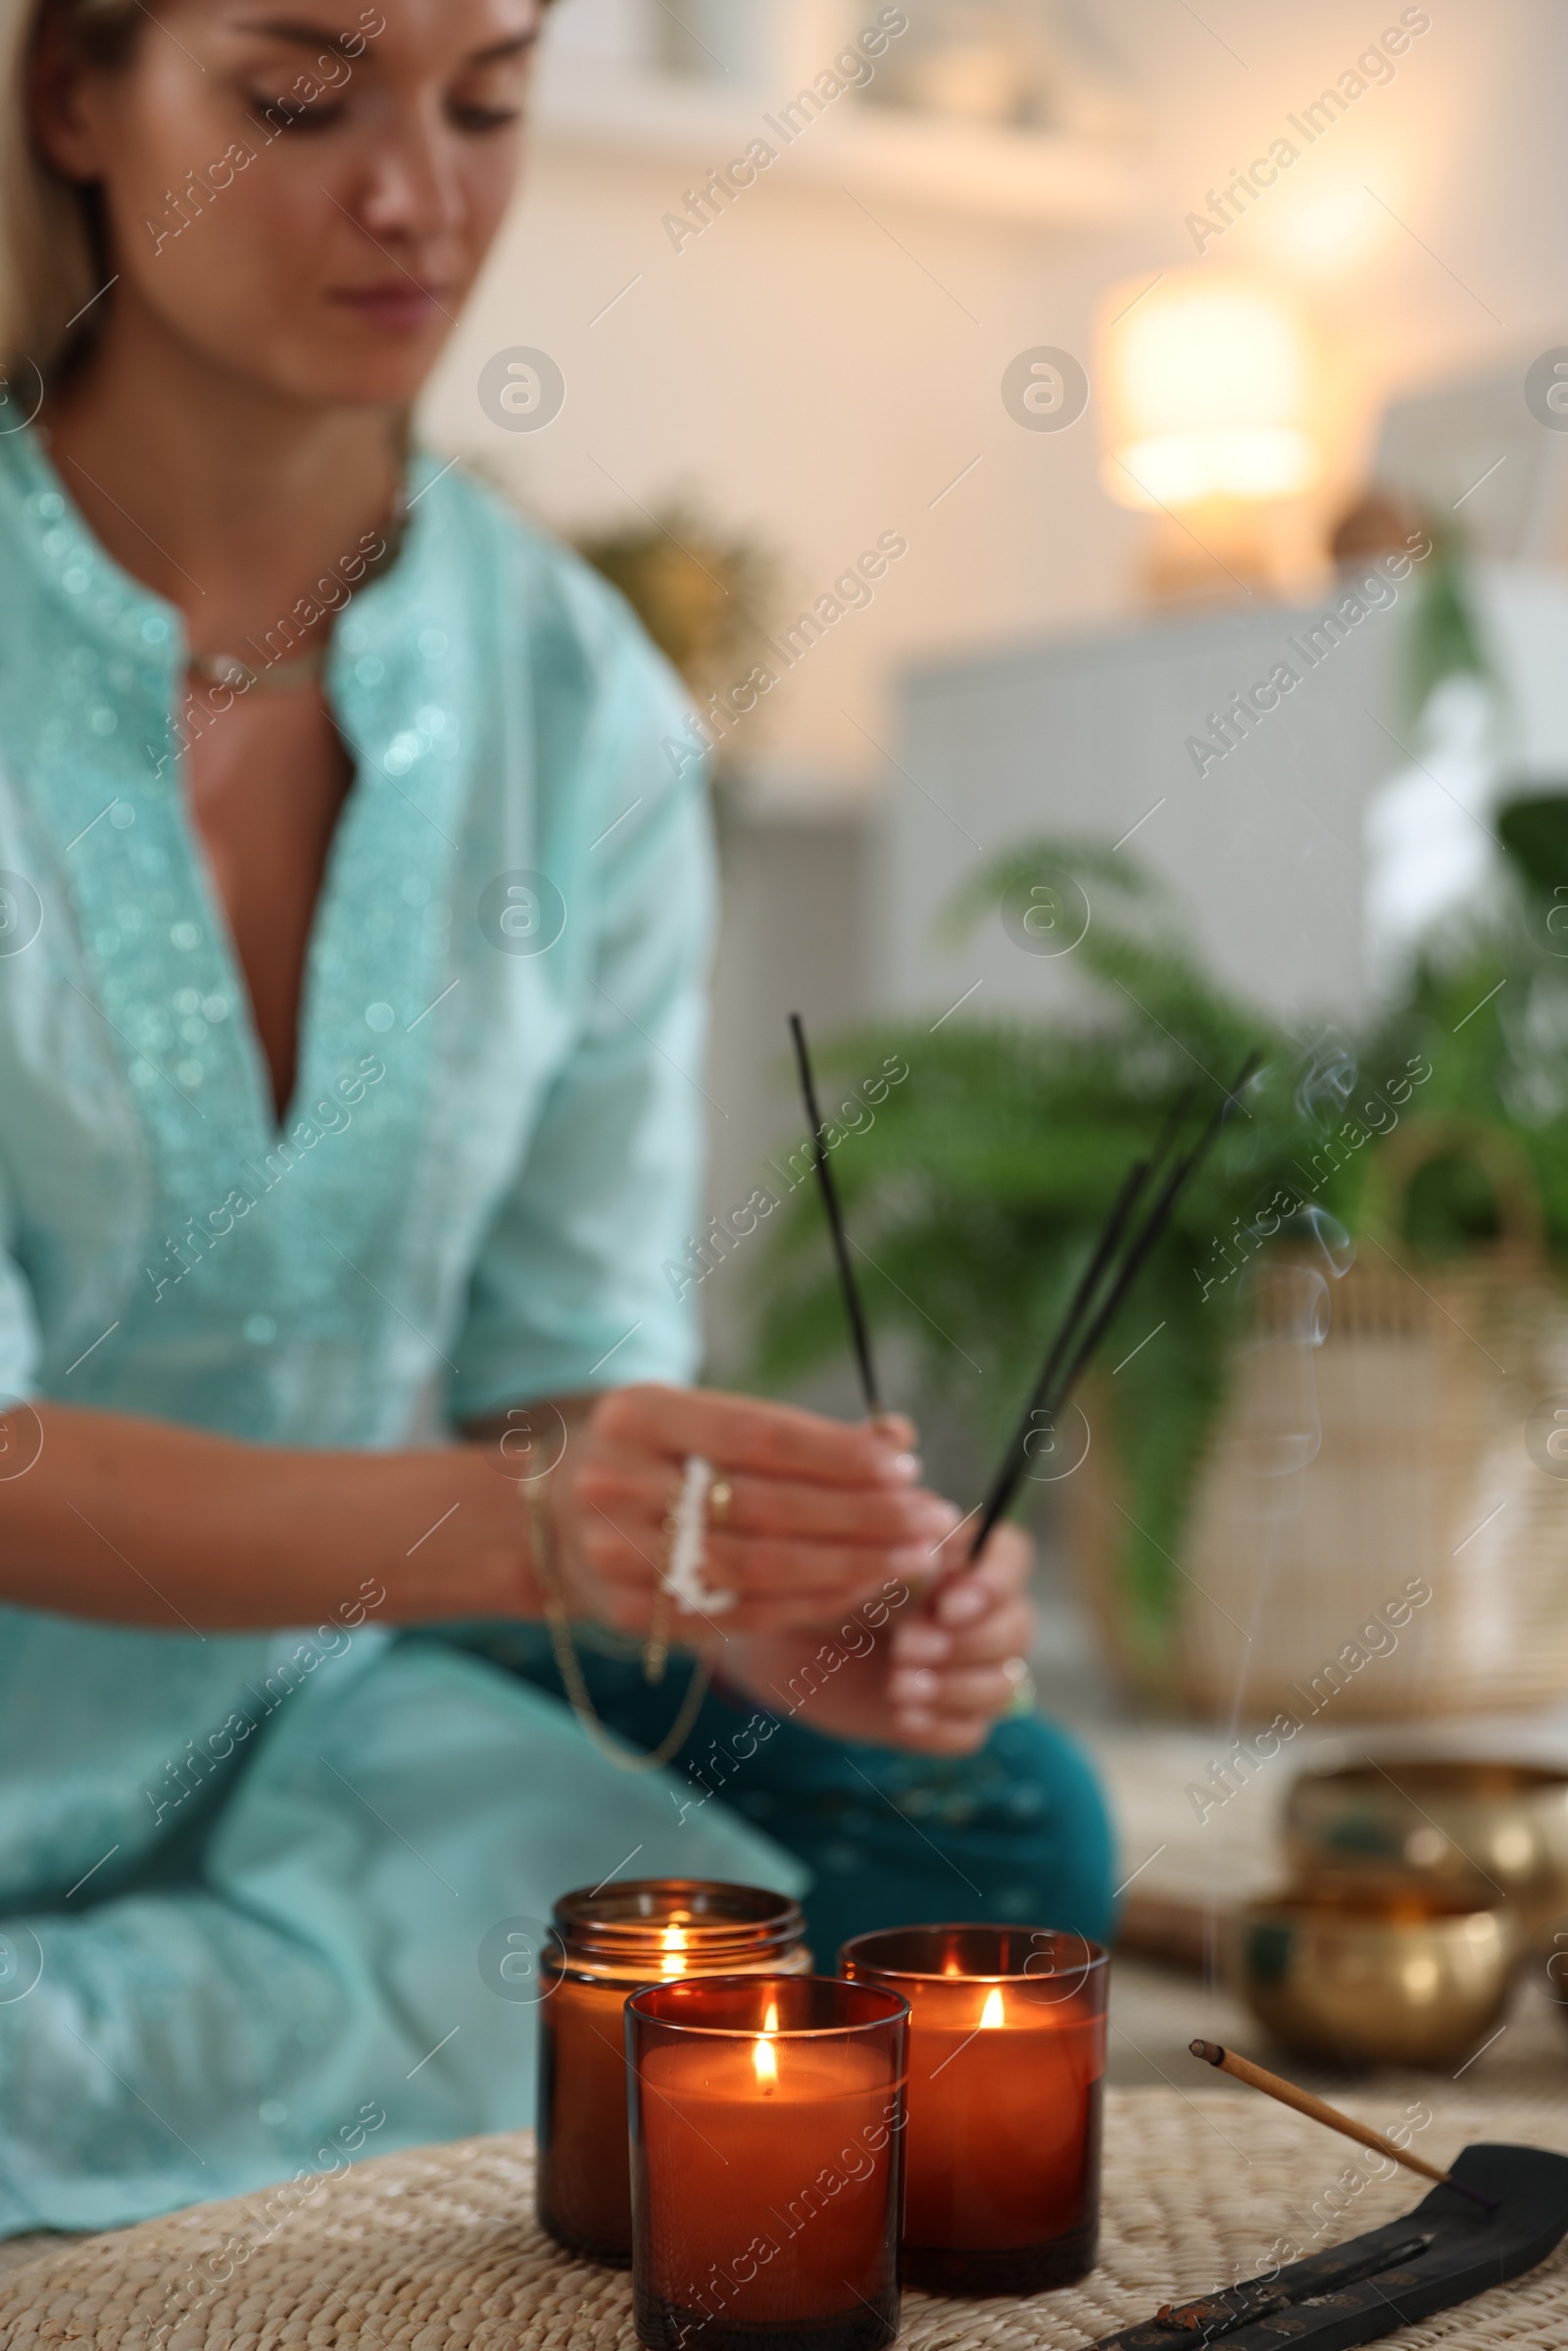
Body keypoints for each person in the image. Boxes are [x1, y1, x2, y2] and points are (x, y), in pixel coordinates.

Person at [0, 0, 1112, 2238]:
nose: (423, 192)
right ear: (73, 102)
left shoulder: (580, 692)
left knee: (991, 1830)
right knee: (747, 1977)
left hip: (342, 1678)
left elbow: (552, 1380)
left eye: (488, 96)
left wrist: (751, 1577)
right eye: (304, 96)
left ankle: (109, 2060)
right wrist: (550, 1535)